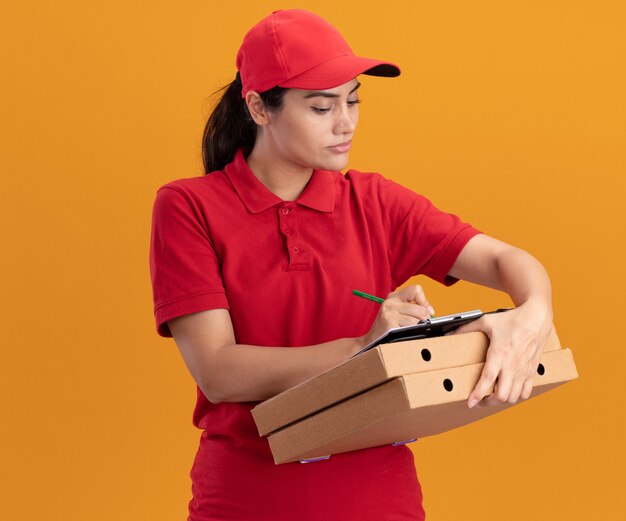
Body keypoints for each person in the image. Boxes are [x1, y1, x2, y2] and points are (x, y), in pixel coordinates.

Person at [149, 9, 554, 521]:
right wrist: (364, 349)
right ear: (258, 107)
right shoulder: (189, 207)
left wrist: (534, 311)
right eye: (321, 107)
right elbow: (218, 372)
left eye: (354, 100)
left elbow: (505, 259)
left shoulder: (376, 202)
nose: (346, 123)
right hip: (246, 500)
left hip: (381, 502)